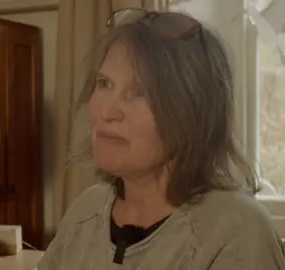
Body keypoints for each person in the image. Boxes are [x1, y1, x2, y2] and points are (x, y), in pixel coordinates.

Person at [38, 8, 285, 270]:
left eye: (140, 91)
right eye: (104, 84)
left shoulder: (237, 231)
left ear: (190, 112)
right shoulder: (86, 210)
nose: (108, 112)